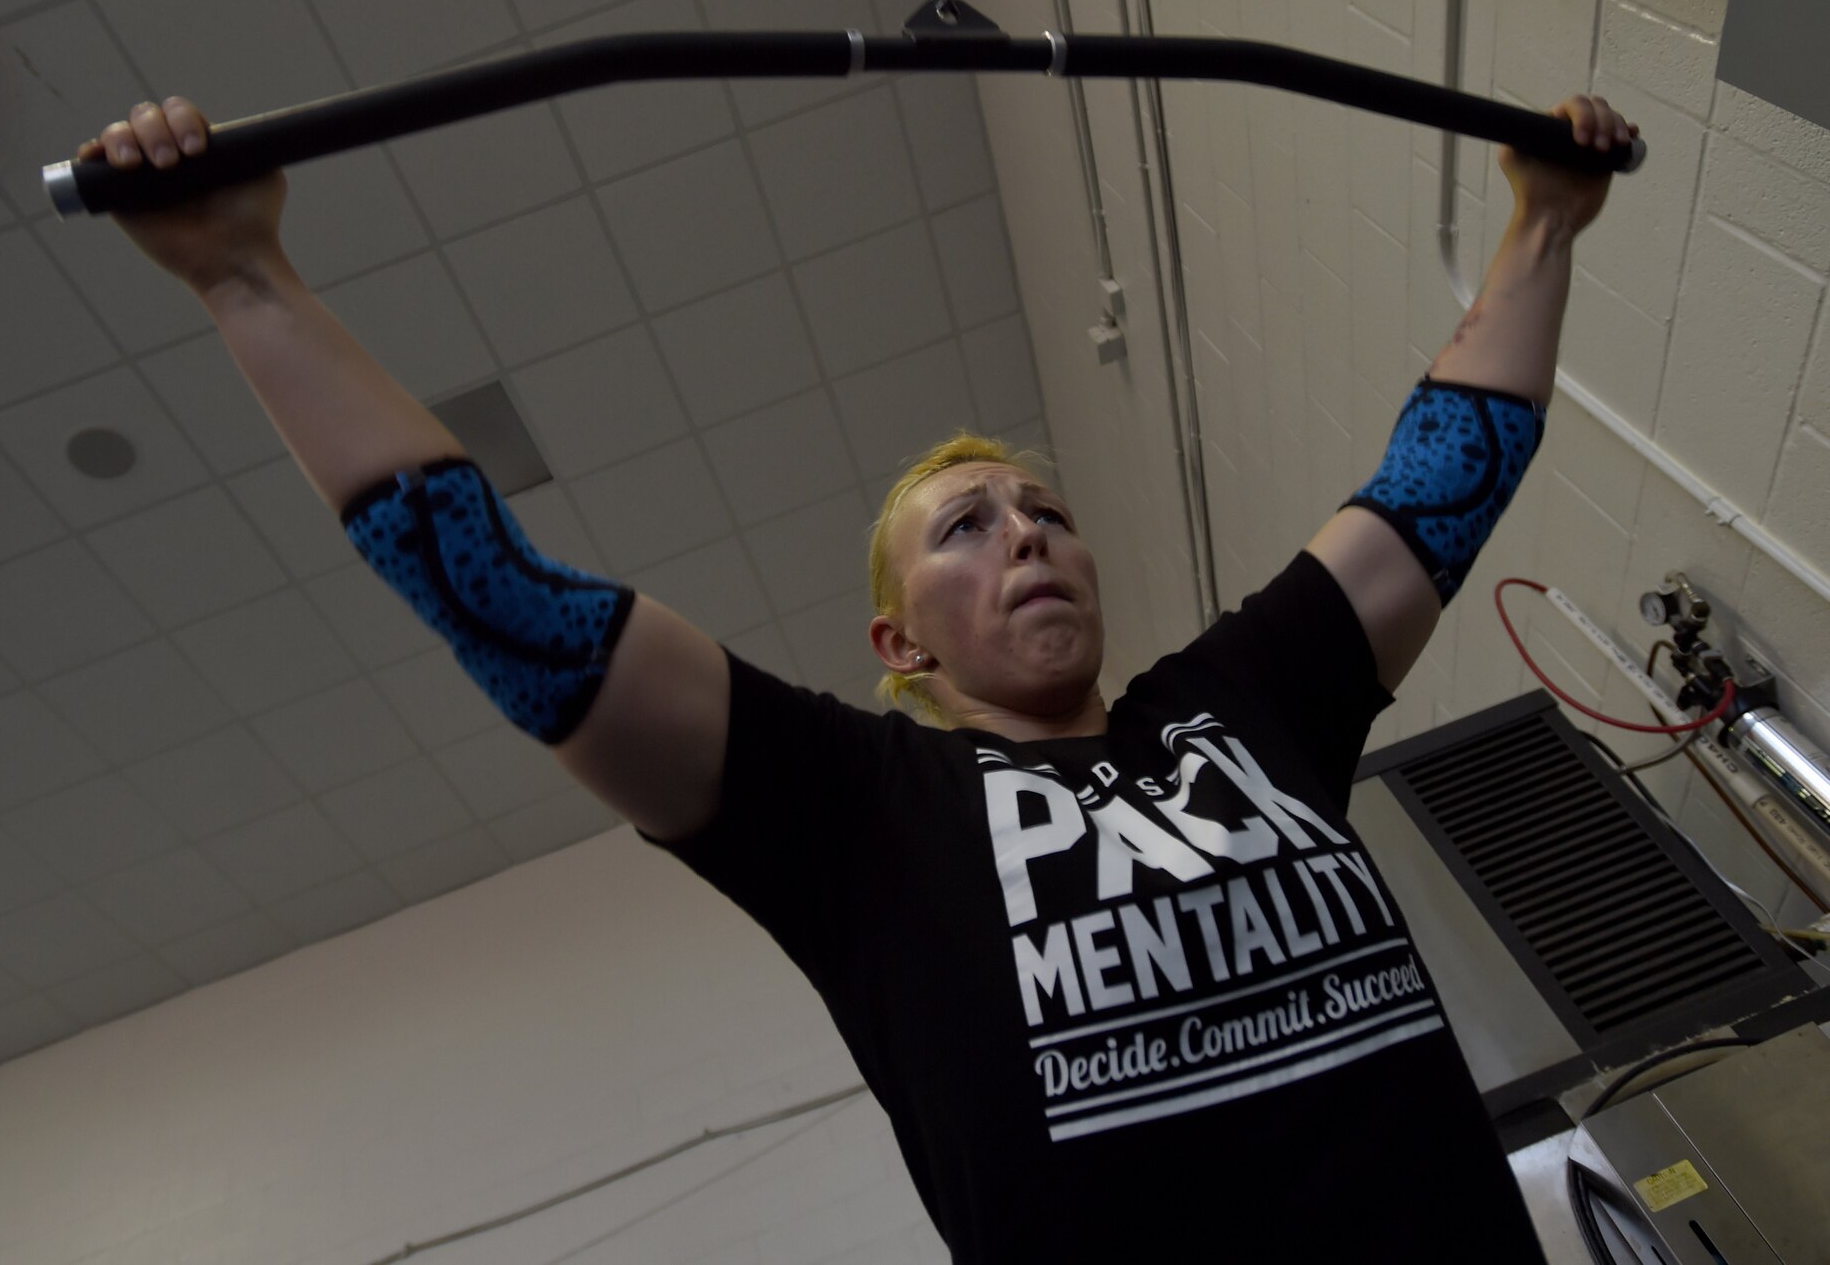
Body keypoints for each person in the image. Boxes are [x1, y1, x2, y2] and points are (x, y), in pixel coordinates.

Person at [80, 86, 1635, 1261]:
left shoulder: (1244, 701)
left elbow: (1445, 478)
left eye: (1049, 513)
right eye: (969, 527)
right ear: (901, 643)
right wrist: (241, 276)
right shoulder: (853, 808)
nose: (1029, 534)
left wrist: (1545, 220)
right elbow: (512, 605)